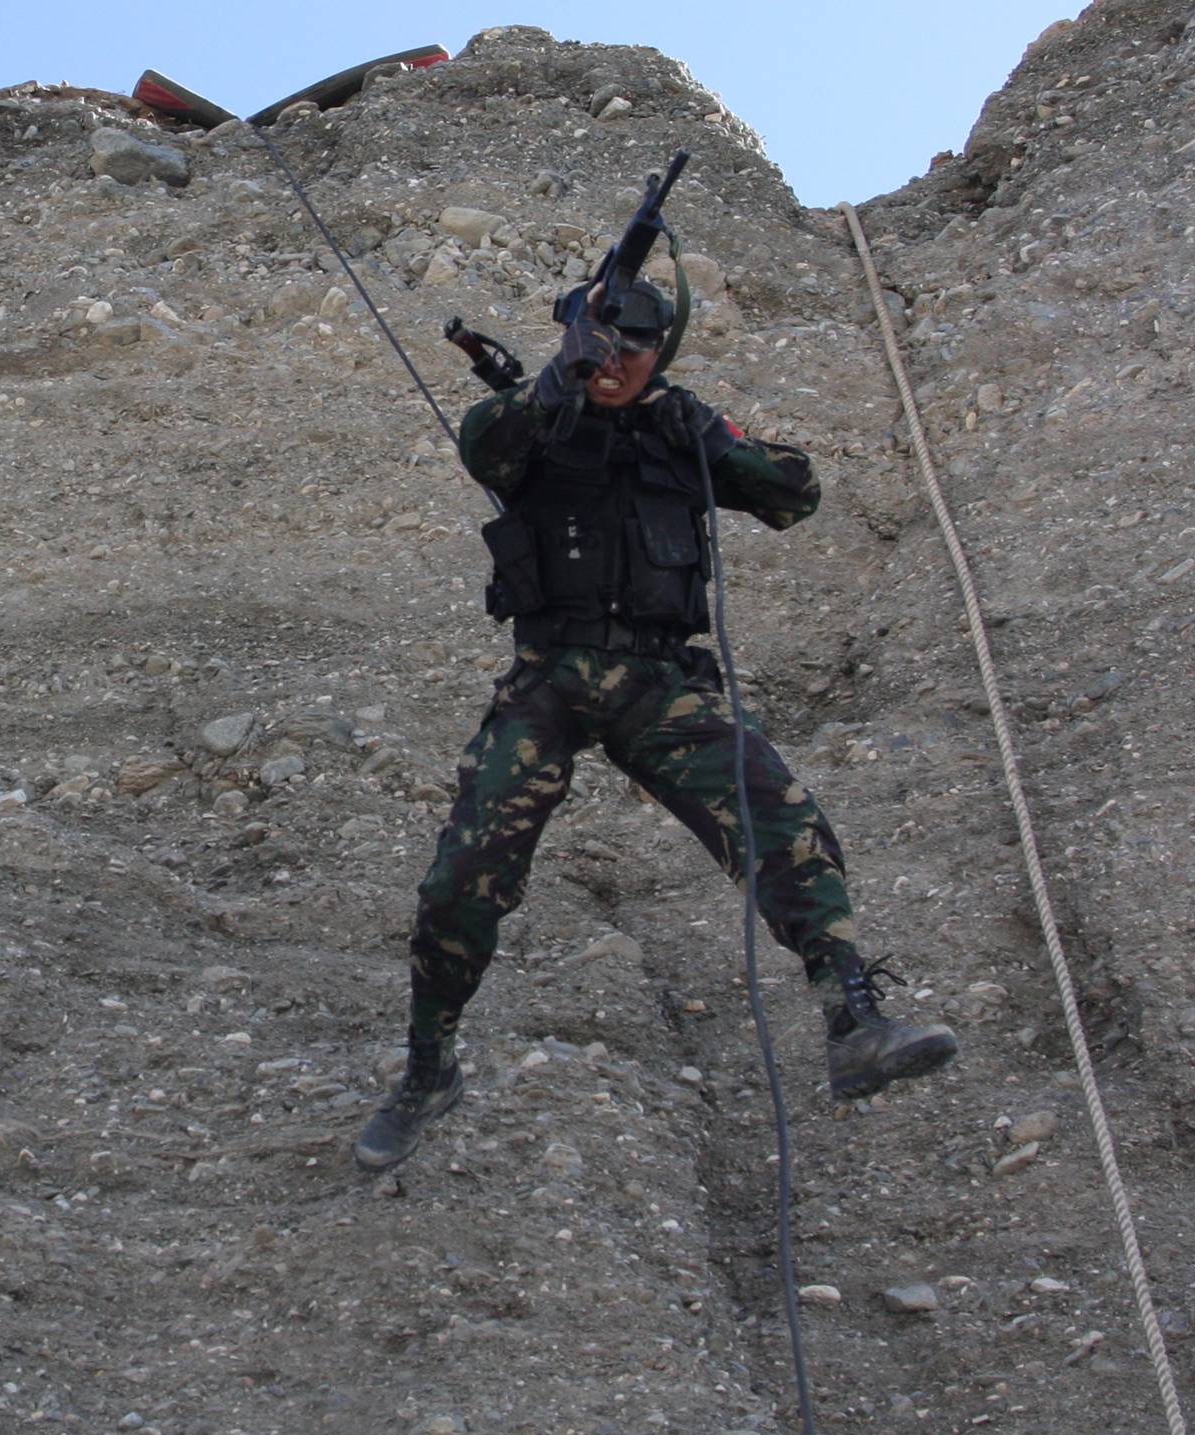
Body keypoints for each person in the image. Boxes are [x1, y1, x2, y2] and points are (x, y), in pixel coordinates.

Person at [356, 279, 952, 1170]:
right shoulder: (529, 417)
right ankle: (428, 1067)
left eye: (637, 351)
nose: (618, 364)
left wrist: (703, 432)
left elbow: (797, 494)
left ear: (659, 353)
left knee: (779, 817)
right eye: (603, 343)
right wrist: (556, 381)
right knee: (465, 876)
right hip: (550, 679)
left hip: (659, 680)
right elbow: (487, 447)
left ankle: (852, 1015)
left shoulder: (679, 427)